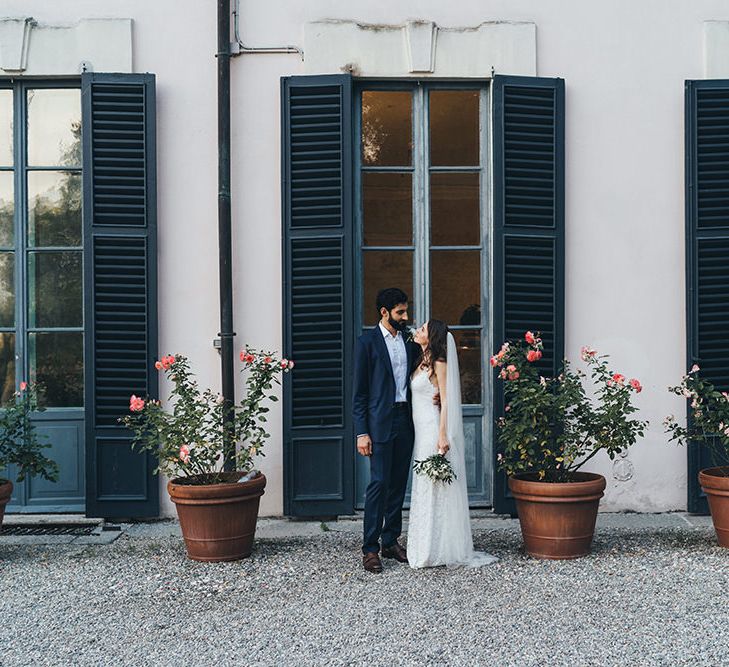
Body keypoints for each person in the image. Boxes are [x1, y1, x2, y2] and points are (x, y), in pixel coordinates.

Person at [407, 319, 499, 568]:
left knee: (435, 486)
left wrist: (443, 434)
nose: (418, 331)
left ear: (432, 336)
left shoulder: (439, 363)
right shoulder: (420, 361)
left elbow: (446, 400)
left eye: (423, 329)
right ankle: (425, 546)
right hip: (420, 430)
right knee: (425, 485)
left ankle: (437, 549)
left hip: (432, 429)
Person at [353, 288, 419, 573]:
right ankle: (370, 549)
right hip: (379, 422)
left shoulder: (410, 340)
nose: (406, 317)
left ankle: (391, 540)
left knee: (398, 484)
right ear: (384, 312)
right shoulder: (366, 343)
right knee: (378, 484)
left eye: (405, 311)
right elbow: (359, 394)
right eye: (400, 312)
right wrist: (361, 432)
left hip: (407, 419)